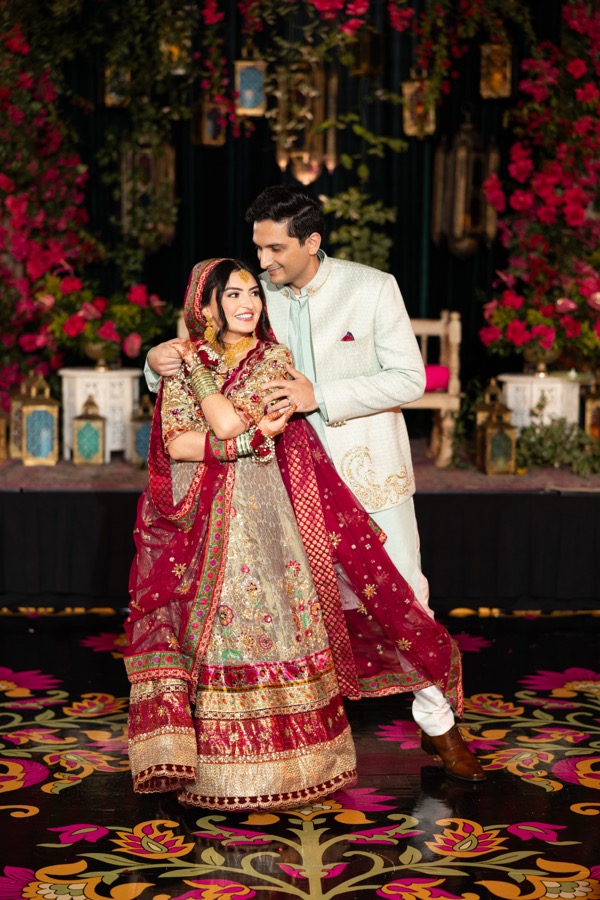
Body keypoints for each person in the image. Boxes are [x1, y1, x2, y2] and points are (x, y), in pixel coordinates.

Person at [145, 187, 486, 784]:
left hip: (367, 474)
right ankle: (298, 744)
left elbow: (410, 378)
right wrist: (156, 360)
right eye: (257, 248)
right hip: (275, 484)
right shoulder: (252, 297)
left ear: (311, 242)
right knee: (288, 611)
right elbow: (202, 361)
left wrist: (320, 398)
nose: (263, 261)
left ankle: (439, 726)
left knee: (403, 597)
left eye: (274, 248)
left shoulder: (371, 288)